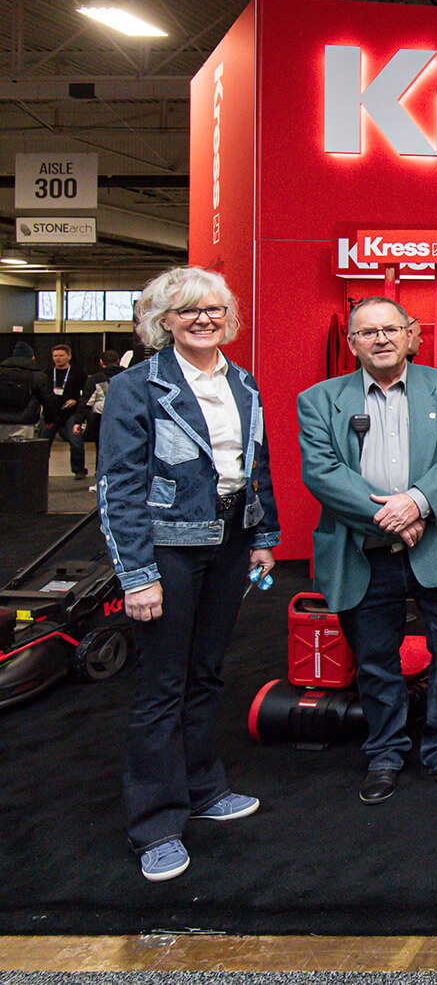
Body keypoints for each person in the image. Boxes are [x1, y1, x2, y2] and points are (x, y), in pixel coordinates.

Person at [97, 266, 279, 882]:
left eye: (214, 309)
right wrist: (137, 575)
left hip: (228, 542)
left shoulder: (243, 383)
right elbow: (119, 488)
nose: (204, 319)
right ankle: (155, 824)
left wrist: (262, 538)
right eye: (188, 311)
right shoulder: (137, 387)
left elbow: (254, 465)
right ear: (164, 321)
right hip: (168, 548)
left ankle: (202, 788)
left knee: (206, 672)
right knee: (161, 685)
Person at [298, 296, 437, 805]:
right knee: (376, 660)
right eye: (368, 332)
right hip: (364, 548)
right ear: (352, 343)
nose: (381, 339)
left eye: (390, 329)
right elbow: (321, 472)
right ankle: (385, 753)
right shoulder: (319, 400)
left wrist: (417, 504)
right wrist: (392, 518)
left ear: (409, 334)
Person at [41, 343, 87, 478]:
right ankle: (40, 470)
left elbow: (86, 394)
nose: (58, 358)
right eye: (55, 356)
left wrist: (76, 401)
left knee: (75, 442)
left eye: (61, 355)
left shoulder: (78, 374)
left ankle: (79, 470)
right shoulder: (46, 374)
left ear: (69, 356)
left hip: (71, 414)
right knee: (43, 443)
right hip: (51, 413)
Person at [0, 342, 42, 428]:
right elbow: (47, 399)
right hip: (25, 420)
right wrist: (50, 419)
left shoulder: (1, 373)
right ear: (32, 357)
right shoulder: (37, 375)